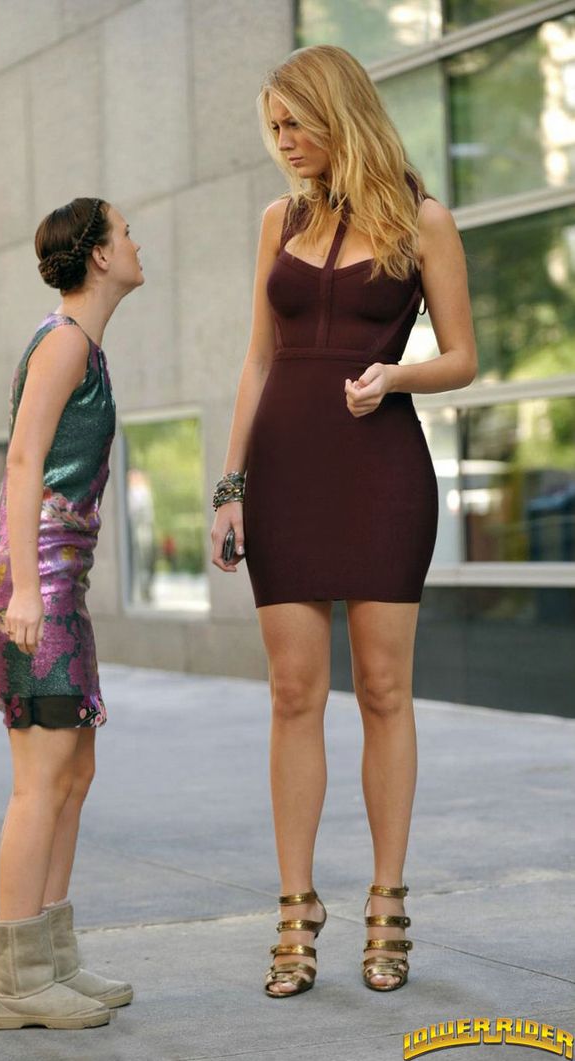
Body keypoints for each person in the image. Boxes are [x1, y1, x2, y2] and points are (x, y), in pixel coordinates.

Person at [211, 45, 477, 997]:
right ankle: (294, 908)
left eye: (295, 123)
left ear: (340, 111)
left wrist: (393, 376)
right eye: (272, 127)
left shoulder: (422, 219)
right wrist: (231, 484)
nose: (283, 143)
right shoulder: (278, 219)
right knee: (292, 691)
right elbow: (256, 359)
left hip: (380, 468)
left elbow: (464, 358)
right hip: (284, 467)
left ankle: (387, 904)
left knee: (382, 687)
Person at [0, 197, 143, 1030]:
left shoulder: (86, 346)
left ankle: (51, 963)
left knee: (74, 772)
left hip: (53, 584)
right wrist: (27, 595)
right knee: (39, 780)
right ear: (101, 256)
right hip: (30, 582)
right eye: (127, 231)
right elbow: (23, 456)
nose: (137, 242)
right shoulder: (66, 340)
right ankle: (16, 985)